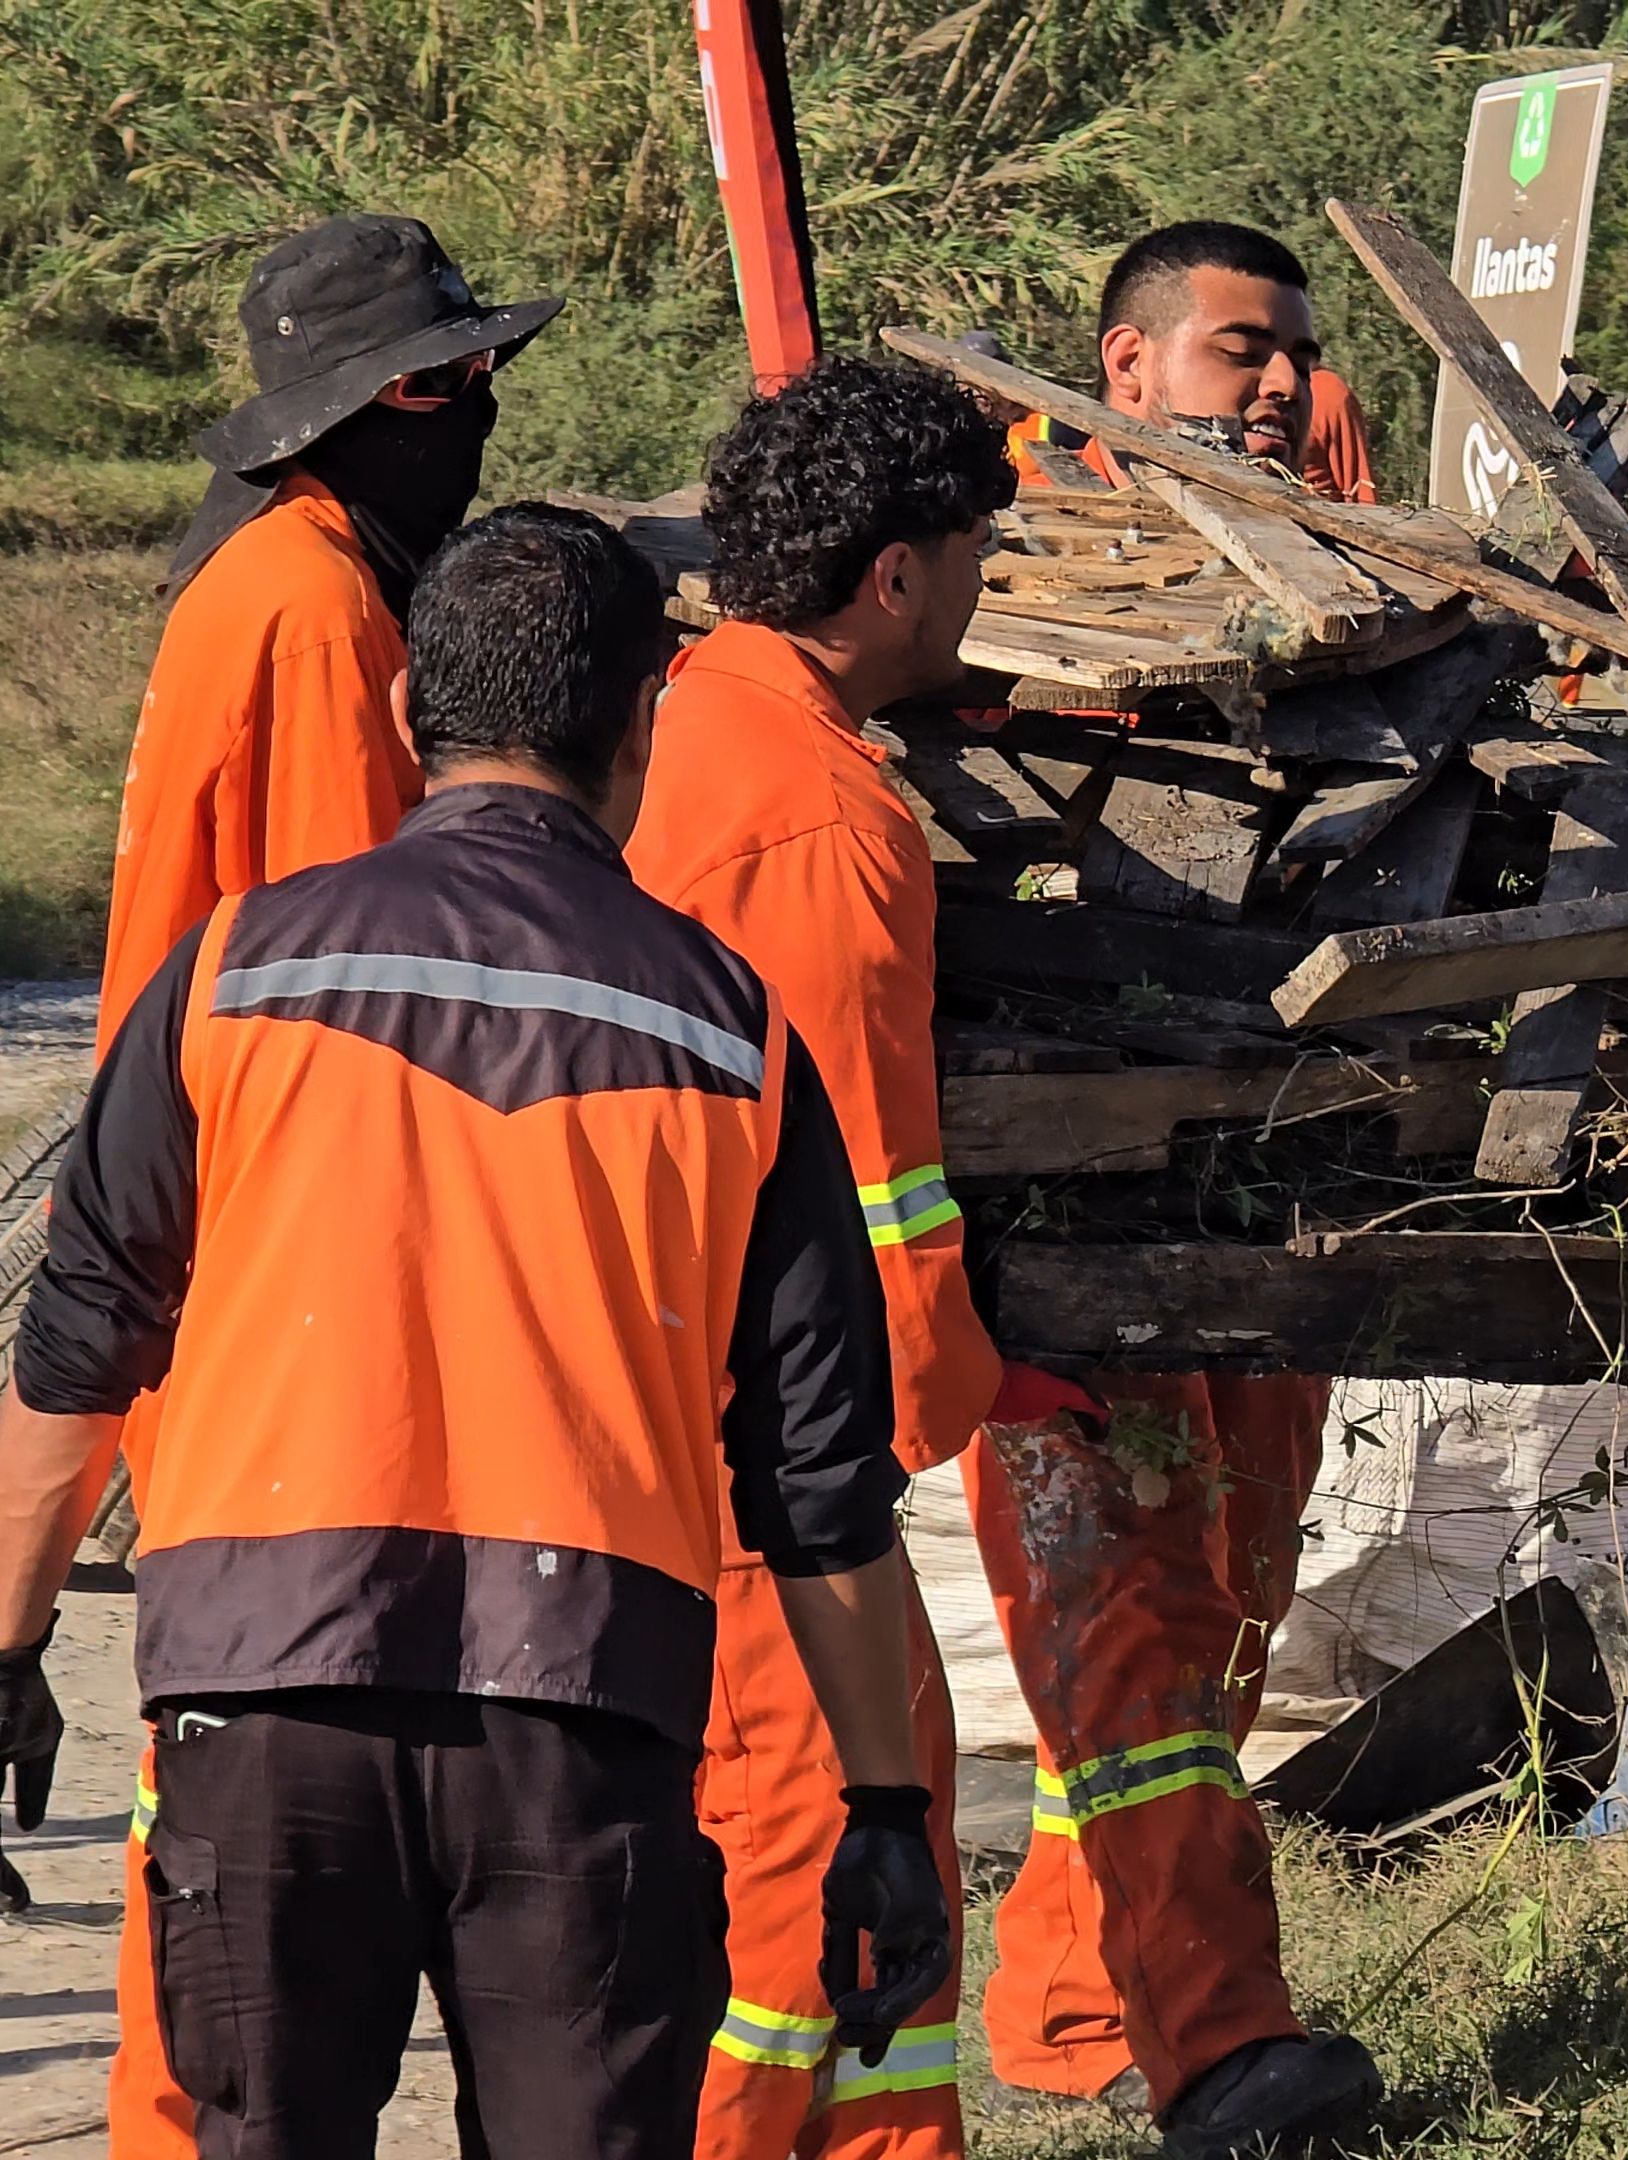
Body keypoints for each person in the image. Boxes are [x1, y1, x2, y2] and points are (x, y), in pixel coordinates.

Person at [0, 506, 950, 2159]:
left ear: (402, 715)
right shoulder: (732, 1032)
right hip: (585, 1719)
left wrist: (10, 1649)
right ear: (643, 721)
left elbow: (80, 1345)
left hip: (266, 1704)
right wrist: (884, 1802)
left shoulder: (227, 976)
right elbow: (818, 1477)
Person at [88, 210, 559, 2159]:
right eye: (460, 383)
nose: (485, 408)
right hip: (255, 1272)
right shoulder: (308, 610)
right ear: (384, 404)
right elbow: (360, 984)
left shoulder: (301, 572)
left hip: (228, 1248)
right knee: (233, 1802)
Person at [971, 230, 1387, 2158]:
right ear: (1124, 371)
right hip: (1077, 1196)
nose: (1281, 384)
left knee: (1227, 1592)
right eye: (1241, 349)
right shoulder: (1006, 563)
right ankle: (1190, 2034)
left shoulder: (1323, 556)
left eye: (1298, 352)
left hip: (1265, 1172)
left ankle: (1079, 1997)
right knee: (1129, 1613)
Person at [622, 359, 1012, 2160]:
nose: (985, 585)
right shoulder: (818, 823)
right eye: (976, 551)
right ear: (897, 576)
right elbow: (860, 1200)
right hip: (760, 1465)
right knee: (811, 1874)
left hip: (675, 1415)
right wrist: (954, 1393)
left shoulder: (699, 722)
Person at [111, 214, 559, 1034]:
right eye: (435, 381)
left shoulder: (285, 556)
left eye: (479, 366)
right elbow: (357, 948)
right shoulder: (319, 608)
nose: (477, 406)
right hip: (248, 1085)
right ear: (337, 414)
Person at [1008, 220, 1382, 503]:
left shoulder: (1340, 563)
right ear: (1129, 362)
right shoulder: (1007, 540)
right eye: (1243, 353)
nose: (1288, 384)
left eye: (1302, 367)